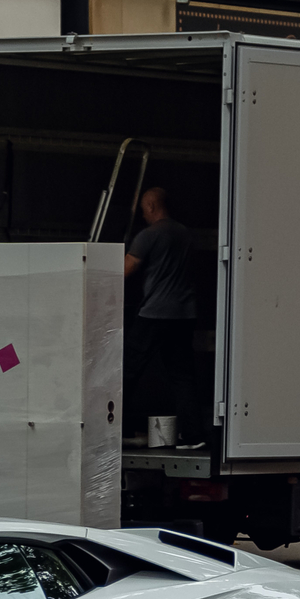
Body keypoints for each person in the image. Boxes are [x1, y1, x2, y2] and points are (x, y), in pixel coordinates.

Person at [123, 187, 197, 447]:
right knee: (182, 376)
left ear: (152, 206)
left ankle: (118, 429)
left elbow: (126, 269)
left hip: (154, 313)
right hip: (184, 314)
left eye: (144, 209)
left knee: (128, 369)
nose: (143, 215)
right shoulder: (186, 234)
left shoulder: (149, 235)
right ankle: (191, 436)